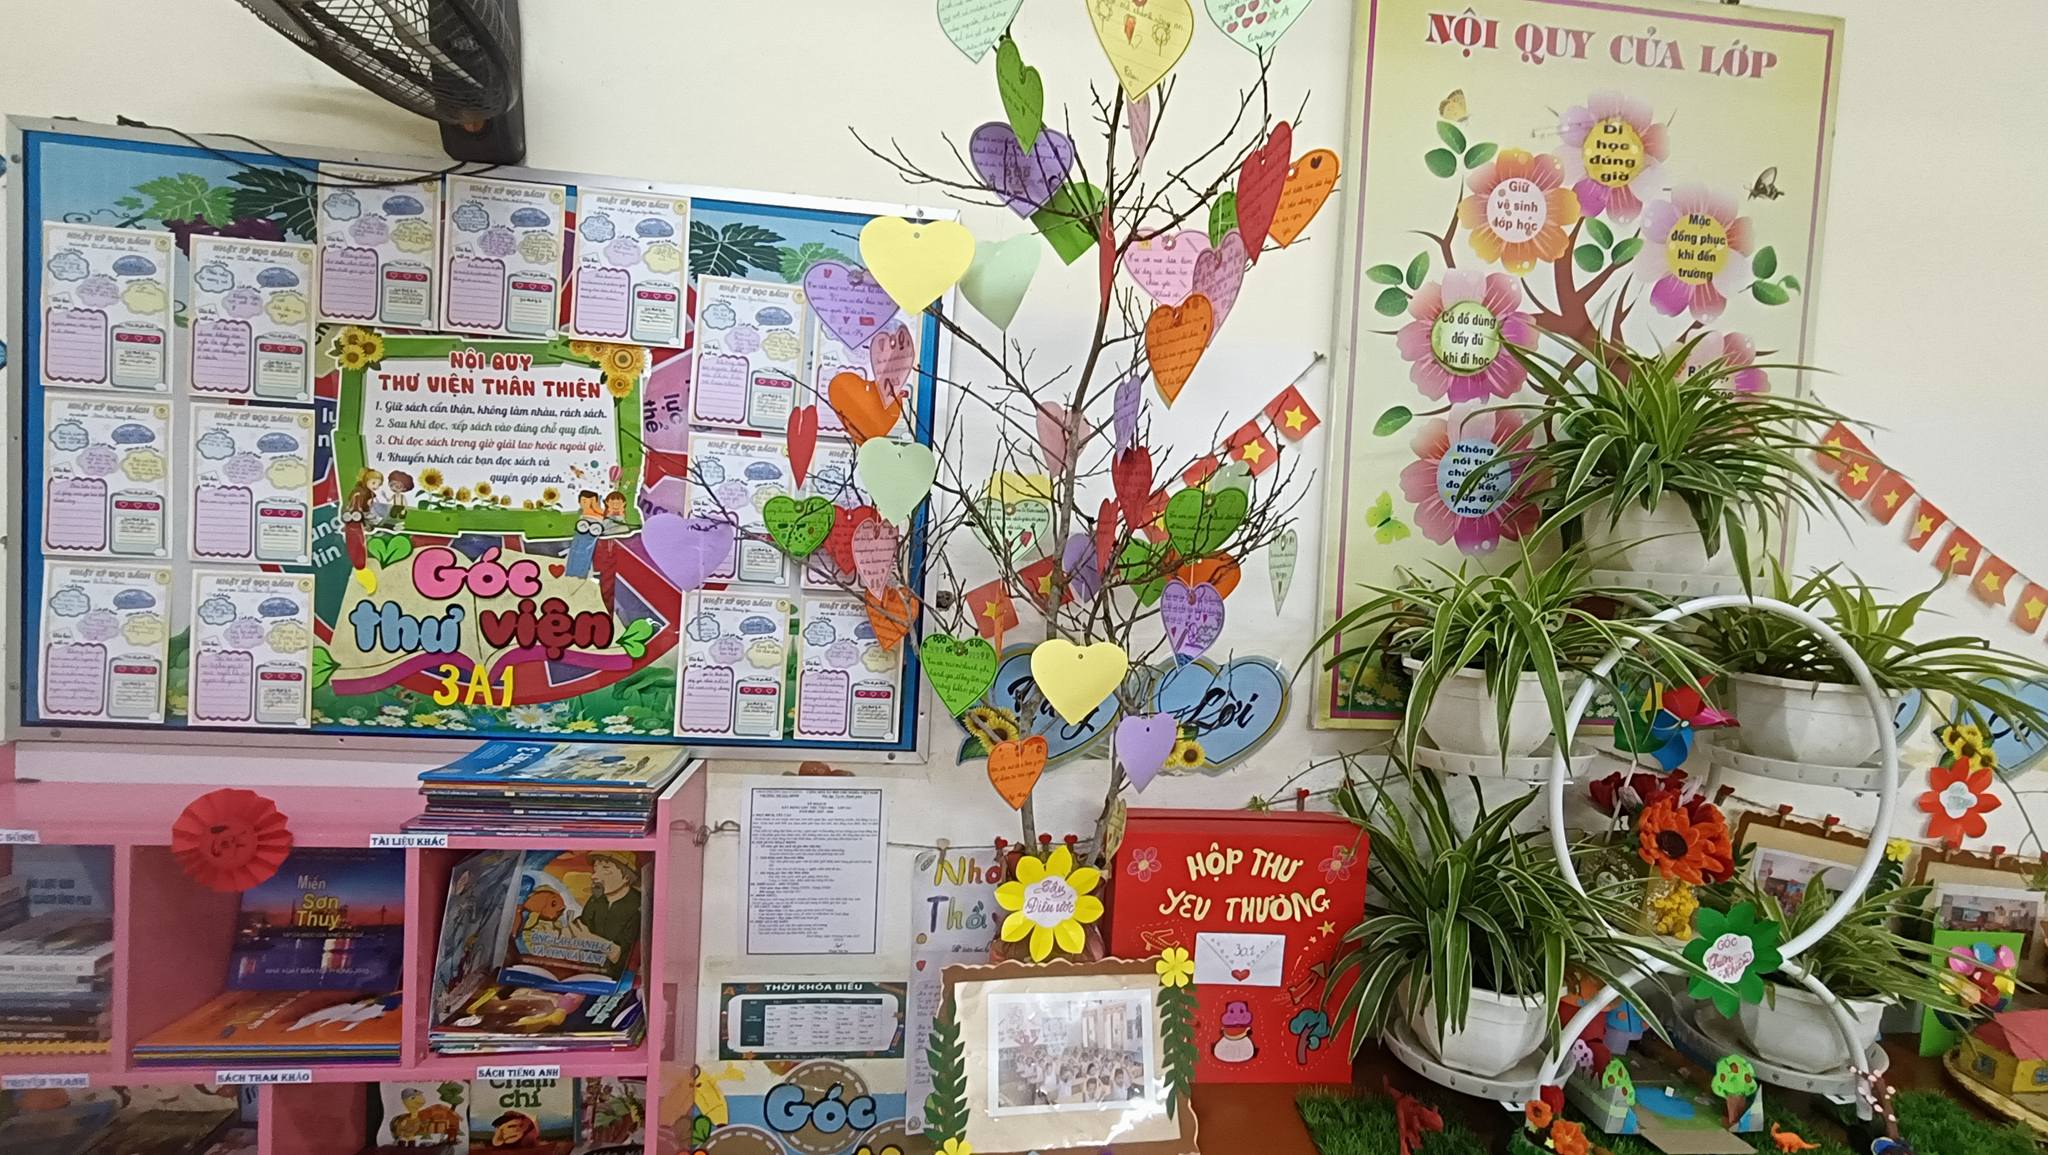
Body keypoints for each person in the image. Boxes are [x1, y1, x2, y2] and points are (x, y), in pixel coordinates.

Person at [571, 851, 643, 970]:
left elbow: (620, 955)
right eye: (595, 869)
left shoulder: (639, 906)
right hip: (589, 972)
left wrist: (589, 938)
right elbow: (582, 926)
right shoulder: (596, 900)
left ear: (626, 877)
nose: (594, 876)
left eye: (606, 869)